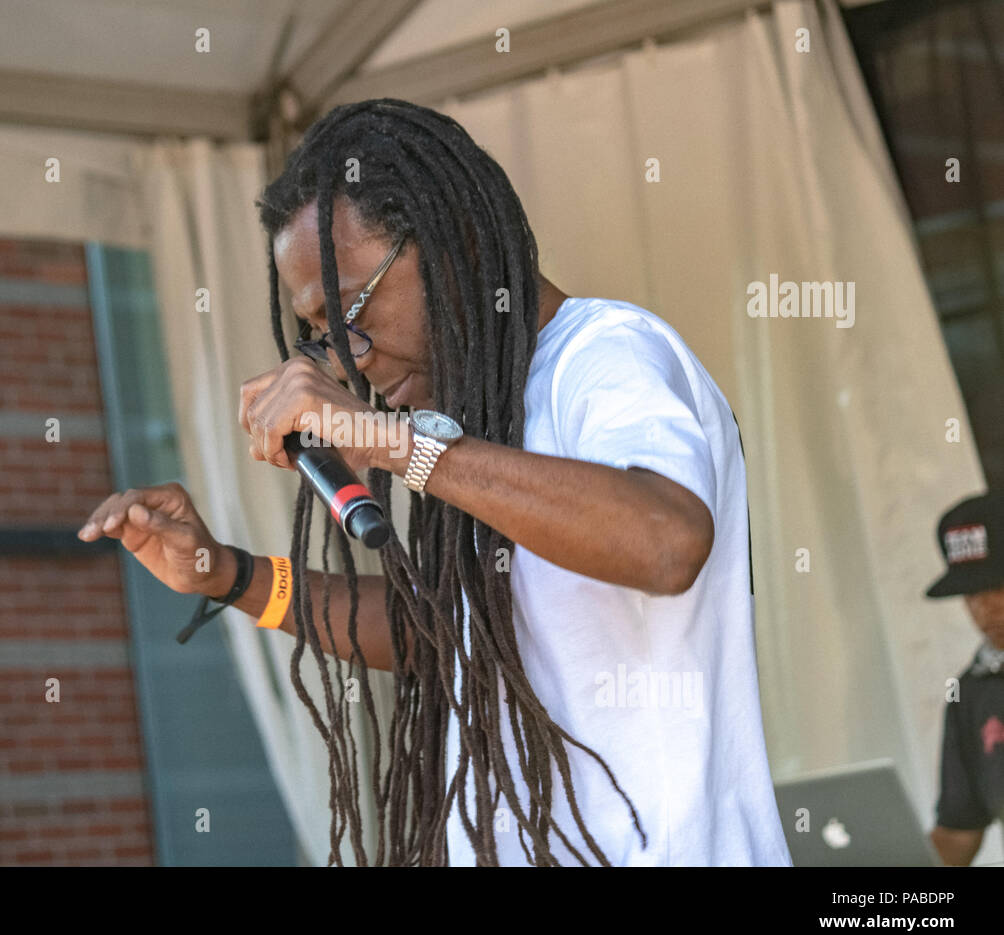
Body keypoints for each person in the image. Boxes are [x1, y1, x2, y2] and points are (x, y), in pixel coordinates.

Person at [79, 99, 790, 866]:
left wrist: (395, 444)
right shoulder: (482, 420)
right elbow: (437, 633)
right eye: (320, 336)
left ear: (460, 244)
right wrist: (233, 575)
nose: (350, 361)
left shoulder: (606, 355)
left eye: (350, 311)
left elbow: (664, 541)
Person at [925, 493, 1004, 866]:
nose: (986, 608)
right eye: (972, 592)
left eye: (999, 585)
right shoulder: (970, 693)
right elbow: (958, 833)